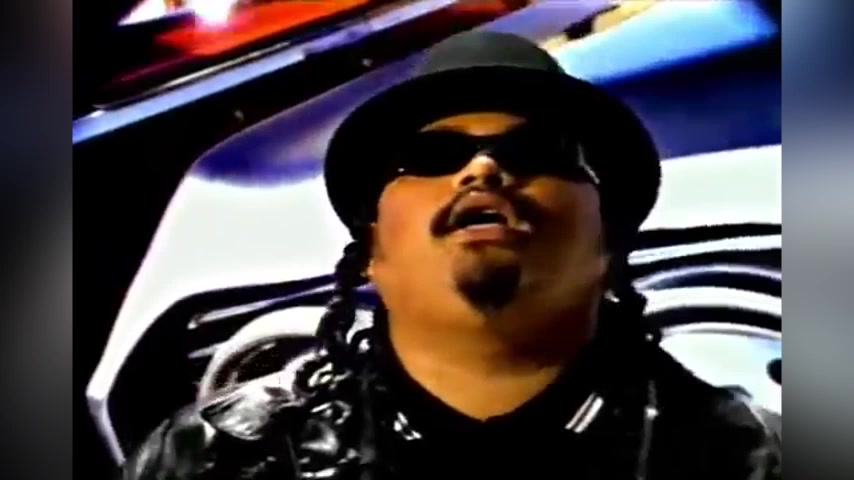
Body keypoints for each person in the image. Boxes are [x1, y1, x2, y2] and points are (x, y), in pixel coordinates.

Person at [119, 30, 781, 480]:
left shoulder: (753, 459)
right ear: (371, 250)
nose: (483, 169)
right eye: (432, 156)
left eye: (536, 153)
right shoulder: (213, 458)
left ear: (608, 243)